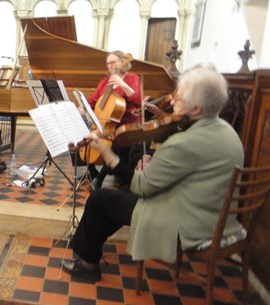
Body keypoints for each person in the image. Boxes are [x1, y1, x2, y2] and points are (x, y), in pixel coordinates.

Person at [62, 65, 244, 282]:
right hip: (213, 214)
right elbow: (191, 170)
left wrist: (107, 154)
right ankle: (89, 244)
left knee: (100, 198)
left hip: (188, 223)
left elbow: (141, 186)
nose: (171, 101)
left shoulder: (183, 143)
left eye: (179, 97)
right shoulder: (226, 130)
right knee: (116, 197)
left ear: (195, 109)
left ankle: (87, 265)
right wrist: (153, 162)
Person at [78, 50, 142, 188]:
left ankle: (100, 179)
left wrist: (122, 84)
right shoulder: (105, 82)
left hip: (125, 124)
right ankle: (92, 170)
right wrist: (80, 110)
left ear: (122, 62)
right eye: (108, 64)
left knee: (116, 141)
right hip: (104, 123)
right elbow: (92, 101)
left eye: (113, 62)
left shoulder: (132, 78)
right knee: (80, 133)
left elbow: (138, 100)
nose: (110, 66)